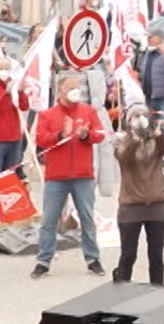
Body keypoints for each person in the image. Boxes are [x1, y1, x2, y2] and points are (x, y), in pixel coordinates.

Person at [31, 72, 107, 279]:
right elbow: (41, 139)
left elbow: (100, 135)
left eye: (78, 87)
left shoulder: (88, 112)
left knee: (87, 218)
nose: (76, 91)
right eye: (71, 87)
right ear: (61, 90)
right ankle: (43, 260)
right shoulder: (47, 115)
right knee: (49, 219)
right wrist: (60, 135)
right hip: (57, 176)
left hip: (83, 175)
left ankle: (93, 259)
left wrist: (86, 135)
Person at [113, 103, 164, 285]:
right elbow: (124, 158)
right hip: (131, 205)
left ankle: (157, 290)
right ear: (128, 121)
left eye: (143, 114)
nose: (140, 118)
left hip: (156, 204)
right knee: (128, 255)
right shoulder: (121, 140)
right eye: (135, 115)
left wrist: (158, 134)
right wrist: (135, 140)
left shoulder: (155, 140)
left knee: (156, 256)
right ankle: (121, 290)